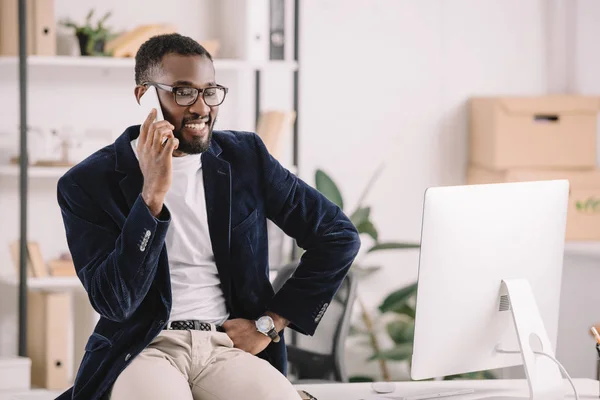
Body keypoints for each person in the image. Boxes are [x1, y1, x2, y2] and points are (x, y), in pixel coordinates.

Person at [55, 33, 360, 400]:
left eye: (210, 91)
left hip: (225, 345)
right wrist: (150, 198)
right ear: (144, 94)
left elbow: (338, 236)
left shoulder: (245, 157)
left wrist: (270, 324)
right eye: (183, 92)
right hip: (143, 349)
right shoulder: (87, 183)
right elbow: (114, 302)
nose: (201, 108)